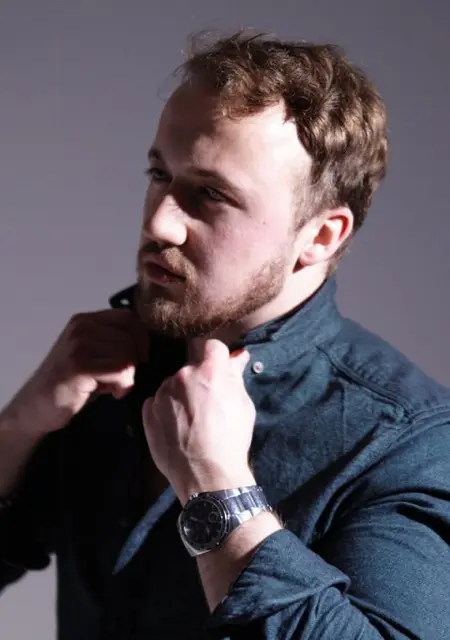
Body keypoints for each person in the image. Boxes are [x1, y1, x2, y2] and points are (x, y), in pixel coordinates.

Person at [0, 29, 449, 640]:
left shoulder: (408, 443)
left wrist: (218, 490)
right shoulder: (104, 370)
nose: (160, 222)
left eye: (211, 194)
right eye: (159, 174)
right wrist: (19, 425)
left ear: (321, 236)